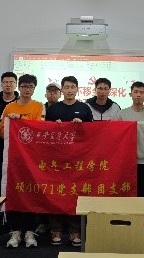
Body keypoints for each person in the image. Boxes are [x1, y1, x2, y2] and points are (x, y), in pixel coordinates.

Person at [45, 76, 92, 247]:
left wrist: (82, 126)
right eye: (66, 87)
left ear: (77, 89)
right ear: (62, 90)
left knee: (75, 194)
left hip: (78, 160)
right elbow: (44, 134)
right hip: (56, 160)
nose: (70, 90)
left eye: (73, 87)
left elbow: (92, 134)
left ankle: (75, 231)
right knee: (55, 194)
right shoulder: (53, 109)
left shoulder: (84, 108)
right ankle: (56, 230)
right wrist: (54, 126)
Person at [0, 74, 44, 249]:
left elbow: (39, 129)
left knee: (31, 193)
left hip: (32, 159)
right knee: (14, 192)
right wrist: (11, 122)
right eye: (24, 86)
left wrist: (22, 121)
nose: (27, 89)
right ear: (19, 87)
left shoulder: (39, 106)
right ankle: (15, 230)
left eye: (30, 86)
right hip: (13, 160)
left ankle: (30, 231)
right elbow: (1, 132)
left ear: (34, 88)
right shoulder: (9, 107)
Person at [117, 81, 144, 197]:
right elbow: (117, 140)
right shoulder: (121, 114)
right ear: (130, 94)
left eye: (141, 92)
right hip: (126, 163)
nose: (138, 95)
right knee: (126, 196)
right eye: (135, 92)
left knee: (143, 196)